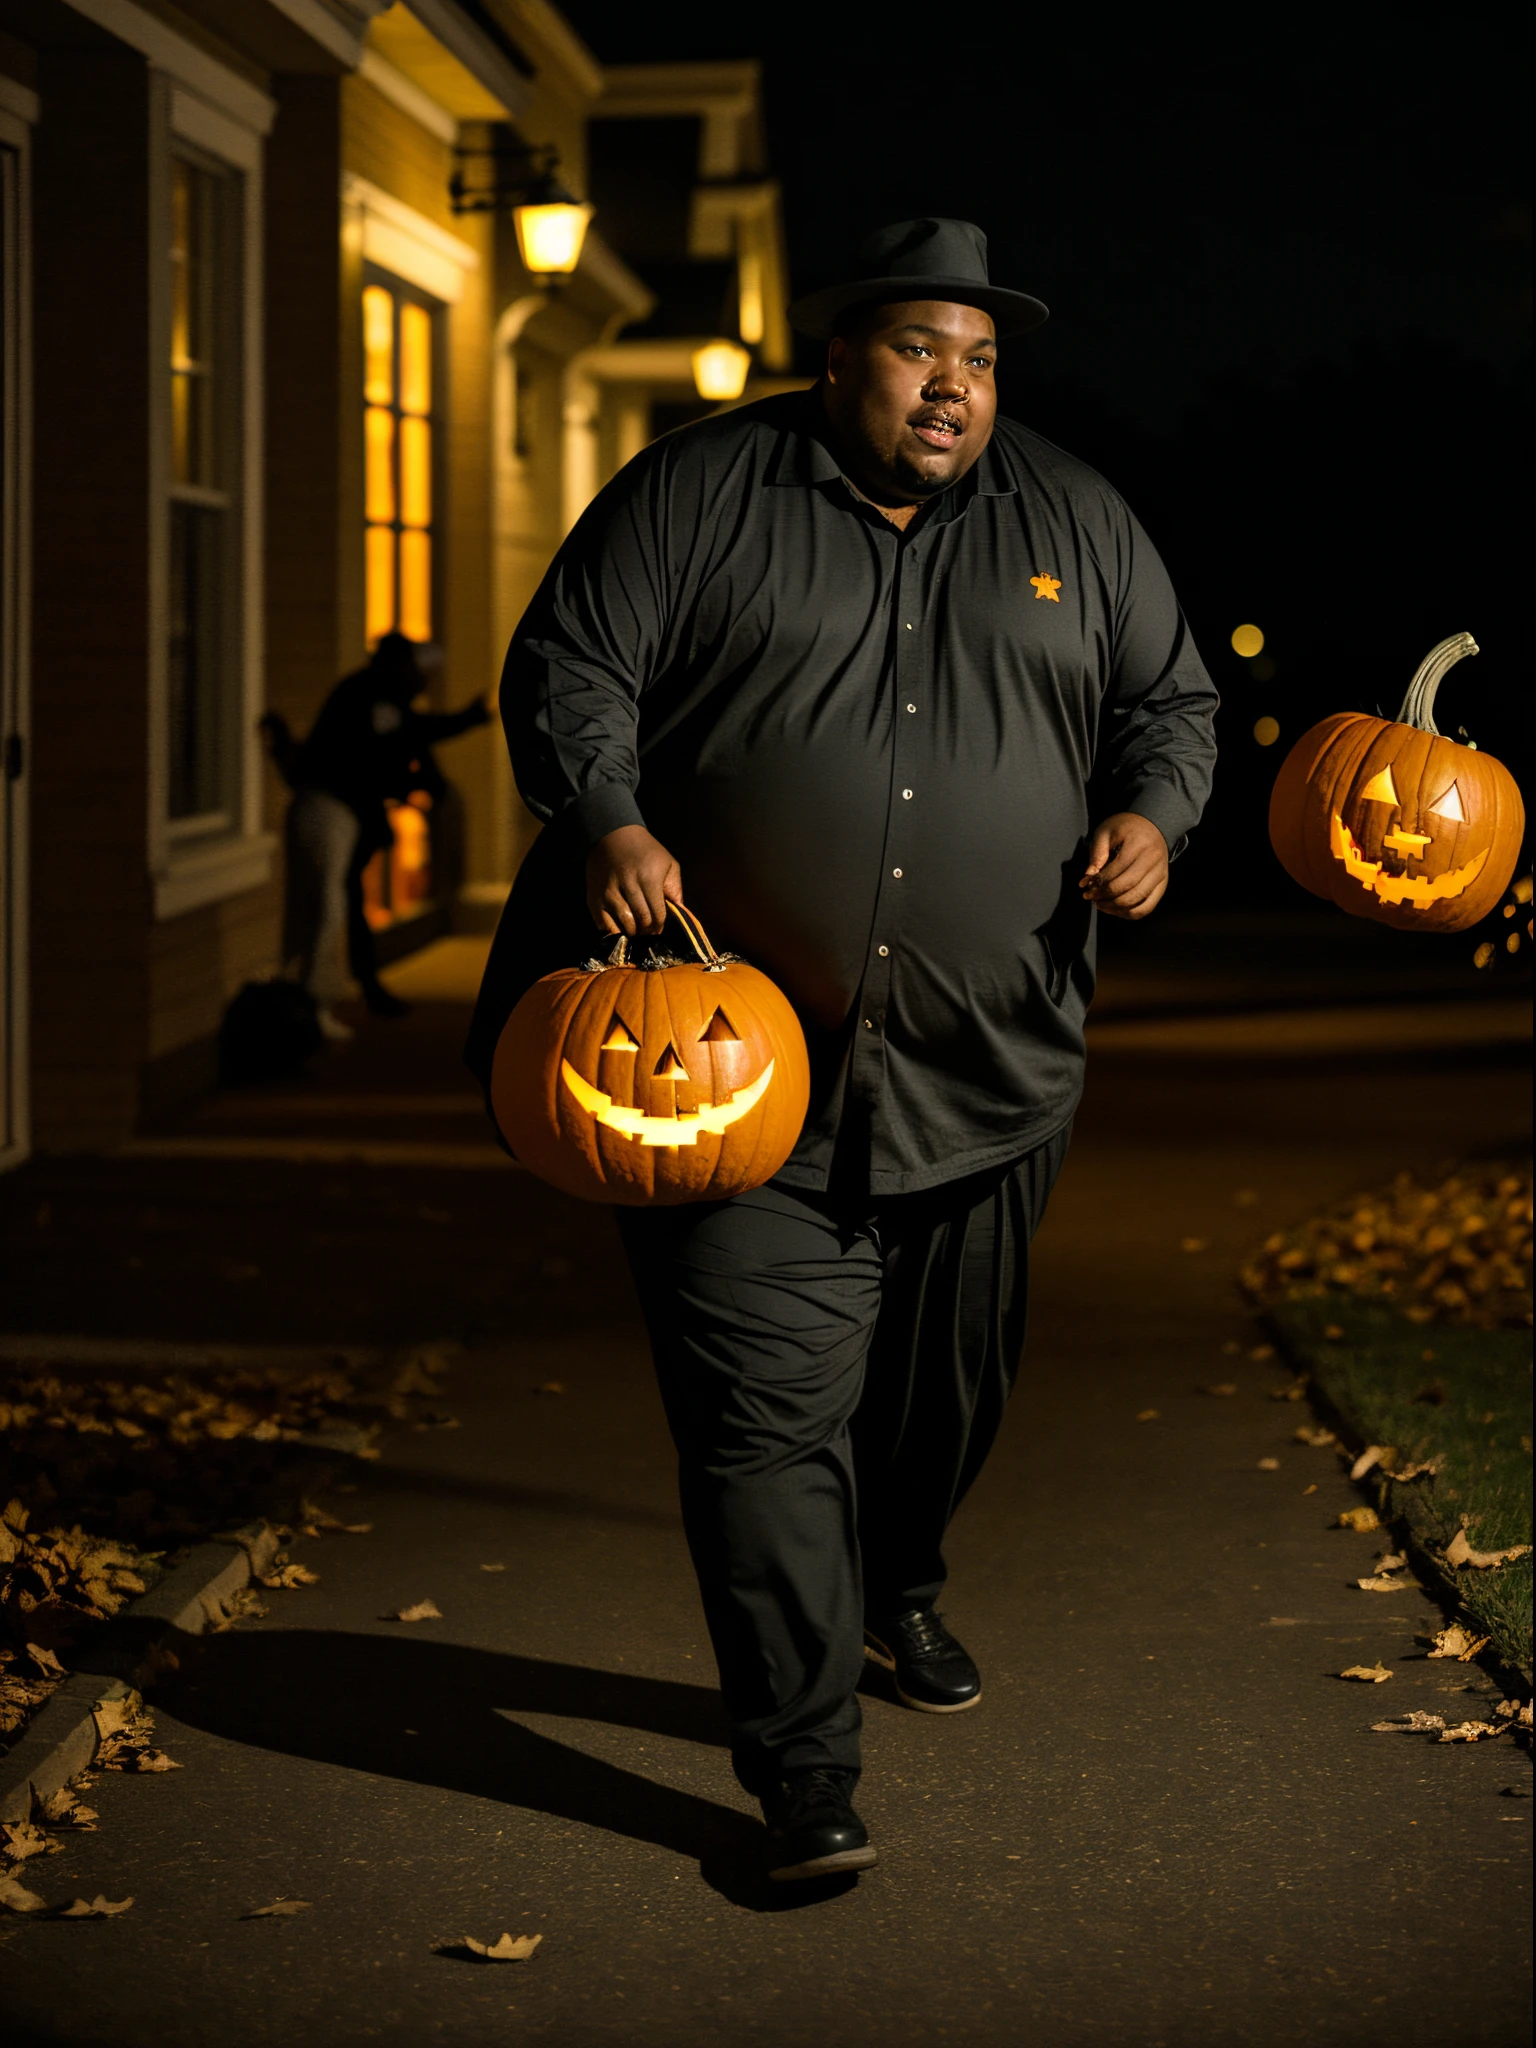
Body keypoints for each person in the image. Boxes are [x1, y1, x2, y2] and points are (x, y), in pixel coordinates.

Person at [469, 219, 1219, 1882]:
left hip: (991, 1072)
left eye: (979, 357)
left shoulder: (1075, 519)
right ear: (838, 358)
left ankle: (902, 1579)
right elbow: (570, 666)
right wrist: (605, 816)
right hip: (728, 1074)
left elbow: (1172, 704)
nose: (951, 385)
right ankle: (801, 1765)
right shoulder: (699, 491)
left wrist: (1153, 816)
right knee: (760, 1420)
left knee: (943, 1400)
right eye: (916, 349)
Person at [264, 633, 489, 1028]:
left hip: (333, 810)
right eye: (417, 671)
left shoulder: (377, 697)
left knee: (328, 903)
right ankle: (307, 1006)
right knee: (323, 908)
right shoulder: (370, 696)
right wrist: (459, 728)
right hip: (327, 808)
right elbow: (401, 740)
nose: (422, 680)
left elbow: (409, 738)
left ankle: (315, 1001)